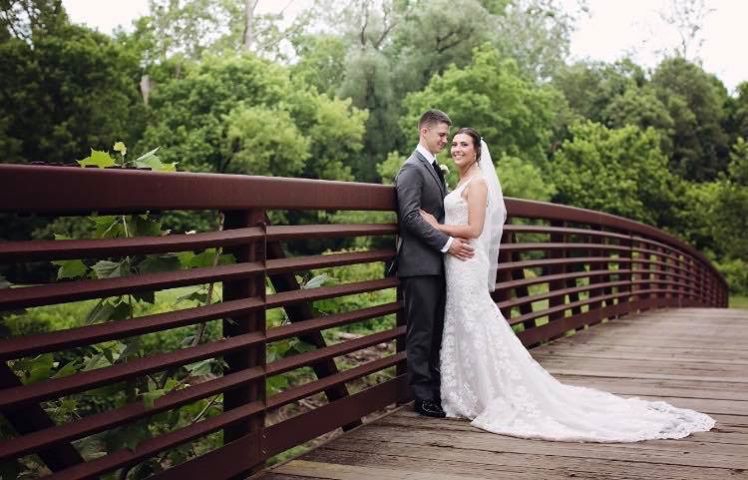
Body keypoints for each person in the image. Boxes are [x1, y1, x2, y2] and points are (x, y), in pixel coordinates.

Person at [419, 127, 715, 441]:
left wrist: (438, 226)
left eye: (463, 144)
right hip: (456, 261)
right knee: (464, 323)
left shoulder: (477, 183)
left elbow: (476, 228)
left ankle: (487, 393)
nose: (456, 148)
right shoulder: (462, 179)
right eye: (453, 143)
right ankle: (467, 393)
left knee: (475, 322)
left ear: (477, 151)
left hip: (467, 261)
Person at [394, 110, 474, 418]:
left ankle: (436, 392)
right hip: (419, 265)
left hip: (437, 265)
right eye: (441, 135)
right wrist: (447, 243)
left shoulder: (433, 168)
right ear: (424, 132)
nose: (445, 141)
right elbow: (410, 216)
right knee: (421, 332)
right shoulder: (411, 169)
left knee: (436, 331)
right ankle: (422, 397)